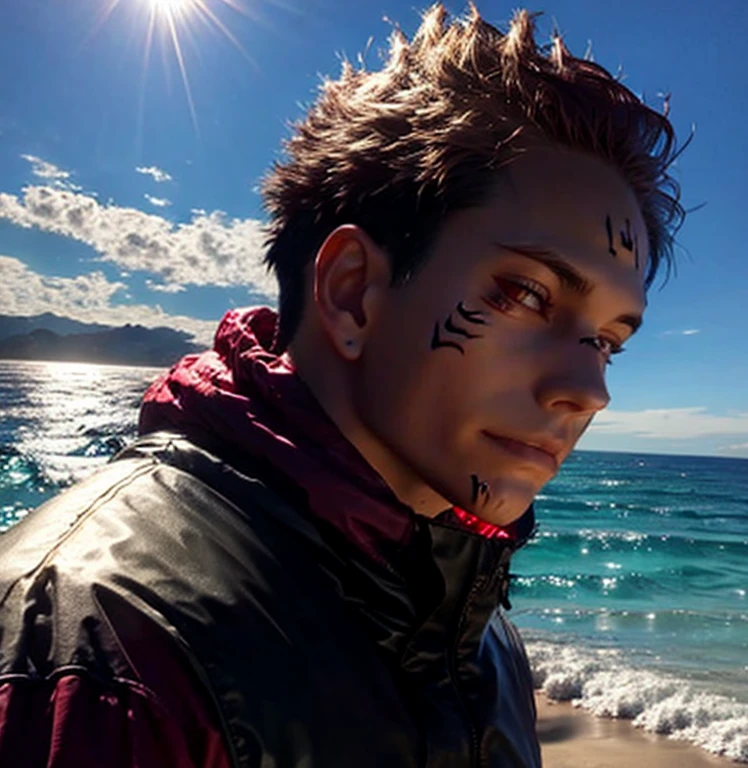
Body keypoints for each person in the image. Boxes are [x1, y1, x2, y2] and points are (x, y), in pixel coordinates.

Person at [0, 5, 685, 767]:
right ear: (354, 291)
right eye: (525, 294)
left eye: (608, 342)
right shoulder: (100, 652)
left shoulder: (478, 638)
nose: (589, 389)